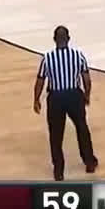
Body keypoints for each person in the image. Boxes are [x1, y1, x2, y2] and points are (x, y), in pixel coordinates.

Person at [33, 26, 98, 181]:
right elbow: (87, 79)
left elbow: (40, 80)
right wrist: (86, 95)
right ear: (68, 39)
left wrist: (36, 99)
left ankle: (59, 171)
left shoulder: (47, 58)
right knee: (82, 128)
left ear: (54, 40)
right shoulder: (78, 56)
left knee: (56, 134)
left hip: (56, 98)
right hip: (74, 95)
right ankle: (89, 162)